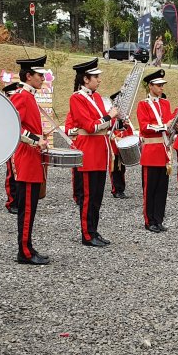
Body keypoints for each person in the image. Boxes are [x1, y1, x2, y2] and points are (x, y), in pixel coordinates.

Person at [68, 58, 115, 246]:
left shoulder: (96, 97)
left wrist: (114, 119)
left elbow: (104, 124)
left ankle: (94, 230)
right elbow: (90, 125)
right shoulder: (76, 98)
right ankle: (87, 234)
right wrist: (108, 117)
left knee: (97, 197)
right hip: (88, 152)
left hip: (100, 151)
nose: (99, 80)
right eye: (96, 77)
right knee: (87, 197)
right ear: (85, 79)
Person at [11, 55, 51, 263]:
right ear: (28, 76)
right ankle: (24, 251)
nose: (43, 78)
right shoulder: (22, 96)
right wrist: (37, 140)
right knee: (26, 209)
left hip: (32, 157)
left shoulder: (29, 96)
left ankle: (27, 246)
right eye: (39, 74)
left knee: (31, 207)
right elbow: (14, 127)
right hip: (26, 158)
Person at [136, 69, 174, 232]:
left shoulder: (165, 103)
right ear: (150, 86)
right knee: (149, 189)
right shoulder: (143, 104)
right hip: (151, 150)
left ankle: (158, 219)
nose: (161, 88)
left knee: (161, 189)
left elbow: (169, 124)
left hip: (164, 150)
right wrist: (165, 126)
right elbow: (144, 126)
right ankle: (149, 220)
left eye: (162, 85)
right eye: (158, 85)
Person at [109, 90, 134, 199]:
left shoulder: (124, 117)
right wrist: (116, 138)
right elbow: (108, 131)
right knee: (114, 169)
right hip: (114, 146)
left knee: (122, 169)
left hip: (122, 147)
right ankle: (115, 189)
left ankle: (121, 189)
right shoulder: (110, 115)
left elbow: (130, 132)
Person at [2, 81, 23, 214]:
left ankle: (19, 200)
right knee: (11, 174)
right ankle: (11, 202)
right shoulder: (6, 108)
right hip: (10, 144)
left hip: (21, 144)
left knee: (20, 174)